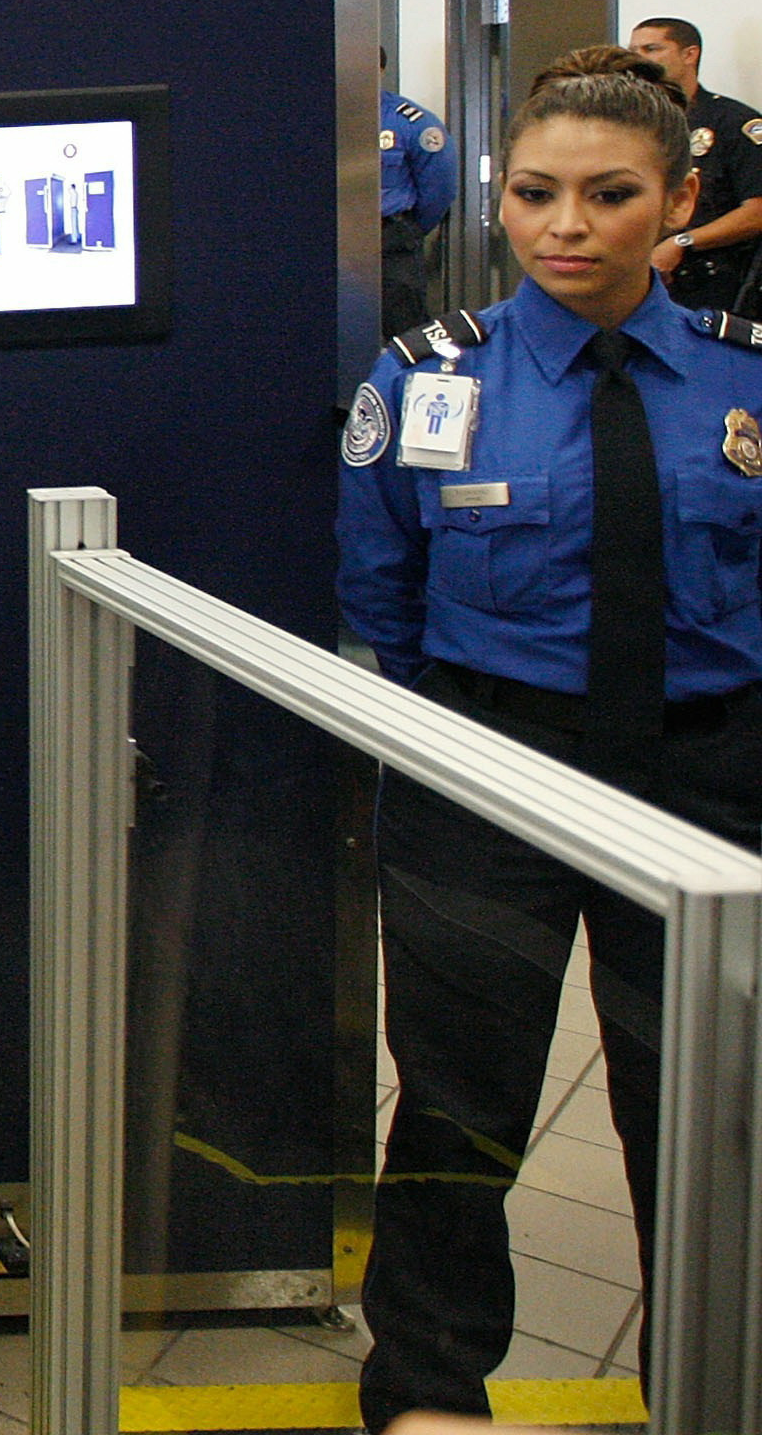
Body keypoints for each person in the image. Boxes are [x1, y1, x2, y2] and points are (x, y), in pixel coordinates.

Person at [338, 71, 762, 1433]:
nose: (565, 226)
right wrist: (430, 760)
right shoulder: (425, 379)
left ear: (680, 203)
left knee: (704, 1107)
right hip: (489, 772)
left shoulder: (743, 383)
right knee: (461, 1098)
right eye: (535, 194)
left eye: (609, 195)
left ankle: (710, 1377)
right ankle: (429, 1387)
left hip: (708, 783)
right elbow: (378, 603)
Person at [629, 16, 762, 311]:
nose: (639, 60)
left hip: (713, 286)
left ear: (690, 54)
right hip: (641, 284)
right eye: (633, 51)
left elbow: (757, 211)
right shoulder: (630, 124)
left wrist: (682, 243)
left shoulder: (732, 122)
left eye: (651, 49)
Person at [379, 86, 456, 338]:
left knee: (404, 328)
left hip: (391, 240)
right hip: (332, 238)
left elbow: (439, 190)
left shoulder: (411, 123)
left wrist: (407, 230)